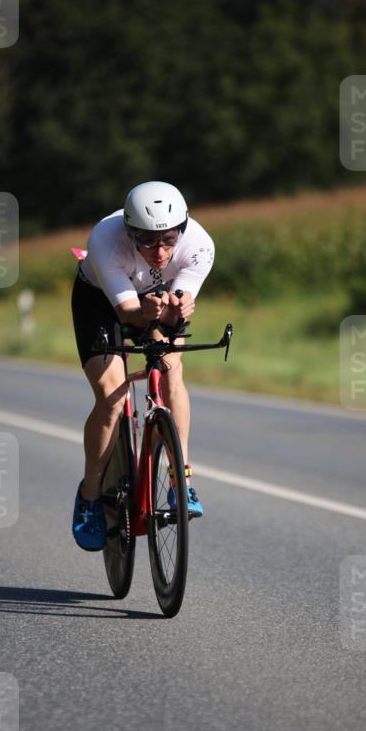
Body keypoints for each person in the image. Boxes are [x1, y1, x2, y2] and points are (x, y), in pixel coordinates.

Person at [71, 181, 215, 551]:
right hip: (101, 303)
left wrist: (179, 307)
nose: (159, 251)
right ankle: (90, 494)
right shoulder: (105, 239)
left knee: (171, 371)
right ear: (129, 231)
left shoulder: (200, 244)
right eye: (147, 240)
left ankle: (179, 480)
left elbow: (178, 301)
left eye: (168, 240)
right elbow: (127, 313)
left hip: (157, 300)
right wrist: (144, 311)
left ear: (181, 229)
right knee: (112, 397)